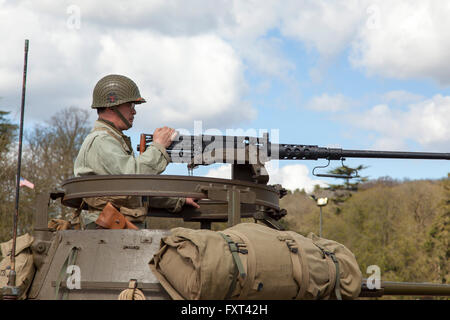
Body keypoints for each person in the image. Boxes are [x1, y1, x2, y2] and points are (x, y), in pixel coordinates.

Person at [74, 74, 199, 229]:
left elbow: (134, 193)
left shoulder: (111, 140)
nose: (134, 112)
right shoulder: (102, 141)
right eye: (130, 106)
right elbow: (133, 178)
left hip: (114, 230)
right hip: (107, 232)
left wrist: (178, 199)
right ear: (111, 106)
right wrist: (158, 146)